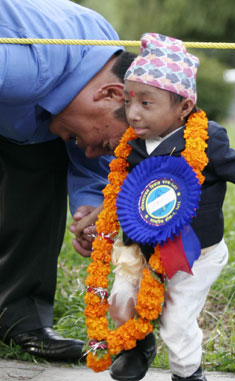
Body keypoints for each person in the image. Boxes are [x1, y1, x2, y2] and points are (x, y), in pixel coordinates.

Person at [83, 33, 235, 381]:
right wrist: (97, 219)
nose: (134, 113)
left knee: (177, 321)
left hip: (195, 255)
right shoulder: (130, 146)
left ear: (184, 106)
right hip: (141, 251)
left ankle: (188, 376)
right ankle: (139, 344)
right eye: (129, 101)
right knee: (121, 299)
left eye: (147, 102)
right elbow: (120, 191)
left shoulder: (206, 142)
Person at [0, 0, 136, 360]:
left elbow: (90, 161)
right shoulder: (21, 69)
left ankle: (21, 319)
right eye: (109, 143)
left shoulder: (103, 64)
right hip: (16, 93)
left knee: (53, 150)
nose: (97, 152)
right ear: (111, 95)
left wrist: (90, 211)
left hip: (24, 124)